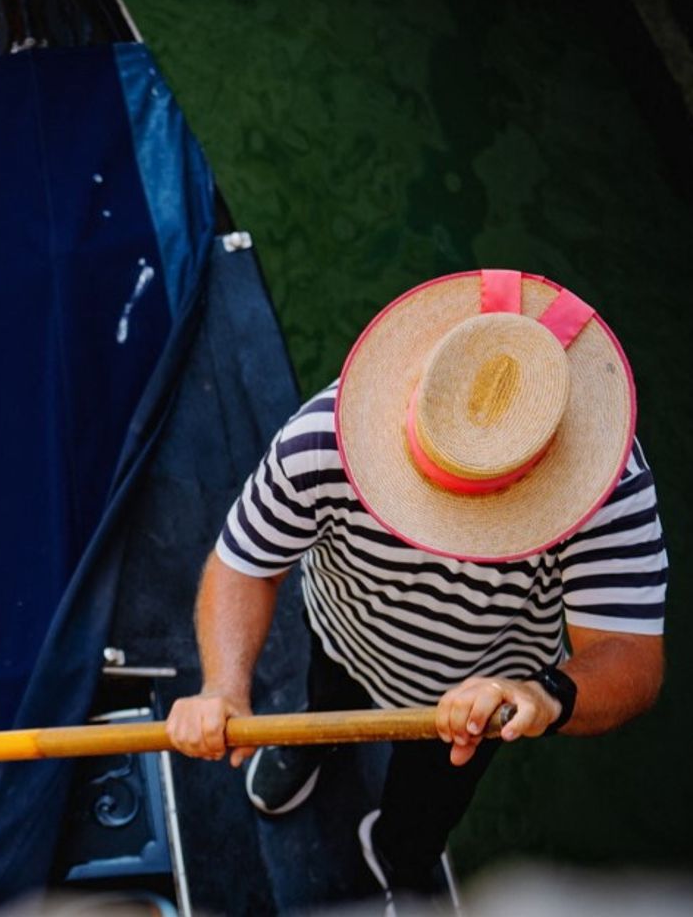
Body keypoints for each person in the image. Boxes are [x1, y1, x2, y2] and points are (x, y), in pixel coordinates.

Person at [164, 270, 667, 909]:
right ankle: (311, 744)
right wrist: (223, 686)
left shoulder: (609, 487)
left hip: (484, 697)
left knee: (425, 815)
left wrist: (544, 693)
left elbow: (630, 654)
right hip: (346, 636)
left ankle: (402, 859)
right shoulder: (324, 435)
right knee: (325, 697)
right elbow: (245, 563)